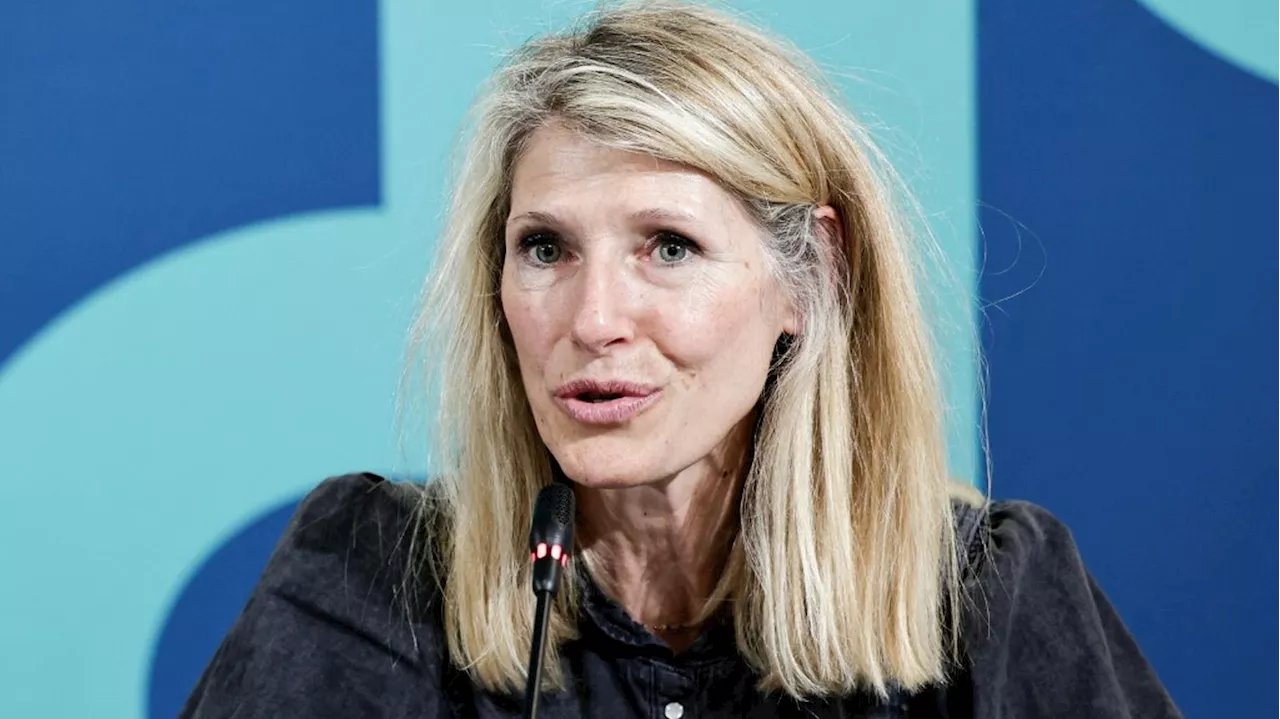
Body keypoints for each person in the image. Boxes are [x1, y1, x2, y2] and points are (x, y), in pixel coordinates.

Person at [181, 2, 1182, 717]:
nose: (595, 316)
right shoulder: (369, 582)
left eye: (667, 246)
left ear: (808, 276)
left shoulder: (984, 601)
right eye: (546, 248)